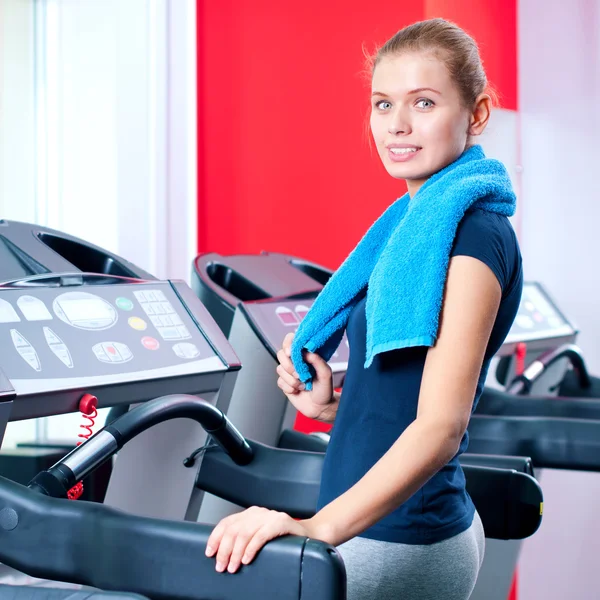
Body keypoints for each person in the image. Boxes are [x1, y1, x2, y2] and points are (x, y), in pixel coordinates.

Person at [206, 17, 523, 600]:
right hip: (382, 527)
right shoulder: (414, 228)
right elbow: (410, 397)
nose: (397, 125)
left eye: (423, 102)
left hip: (403, 539)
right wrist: (334, 409)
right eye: (382, 104)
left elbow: (441, 427)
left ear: (476, 114)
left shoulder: (473, 237)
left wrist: (312, 529)